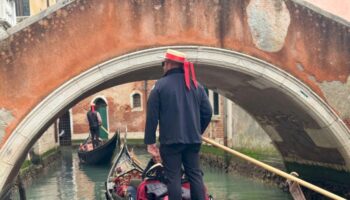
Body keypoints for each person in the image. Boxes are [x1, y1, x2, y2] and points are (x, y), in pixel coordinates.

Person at [144, 49, 212, 200]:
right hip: (193, 140)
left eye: (163, 63)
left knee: (173, 177)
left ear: (168, 64)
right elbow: (208, 112)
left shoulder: (159, 86)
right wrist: (197, 131)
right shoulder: (197, 86)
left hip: (171, 141)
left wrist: (150, 142)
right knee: (195, 175)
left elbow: (152, 116)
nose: (163, 66)